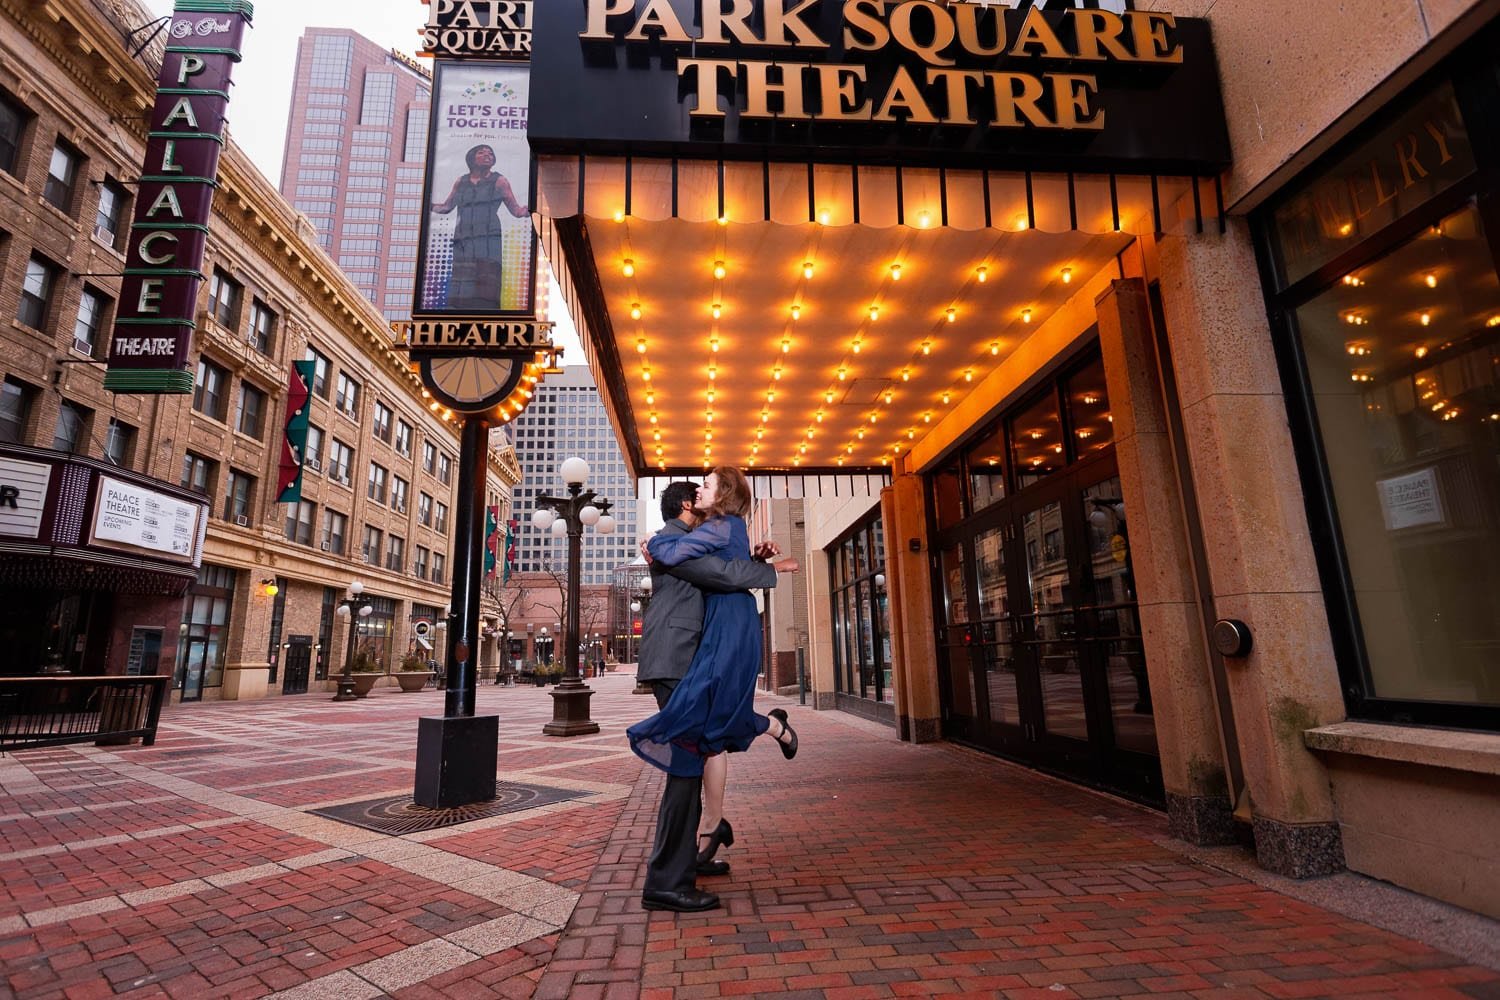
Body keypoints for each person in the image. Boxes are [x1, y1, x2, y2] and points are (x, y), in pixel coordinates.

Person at [630, 468, 800, 911]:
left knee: (698, 753)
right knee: (686, 767)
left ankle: (688, 858)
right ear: (690, 508)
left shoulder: (692, 536)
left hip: (686, 653)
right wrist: (770, 568)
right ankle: (666, 882)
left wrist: (758, 558)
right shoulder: (669, 543)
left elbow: (725, 560)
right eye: (698, 492)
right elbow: (721, 573)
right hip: (675, 656)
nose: (704, 498)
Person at [429, 143, 528, 311]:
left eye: (490, 153)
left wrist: (531, 208)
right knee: (462, 276)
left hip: (489, 237)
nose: (487, 155)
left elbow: (516, 210)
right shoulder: (461, 181)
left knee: (487, 277)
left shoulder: (500, 180)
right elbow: (446, 207)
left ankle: (487, 313)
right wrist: (427, 204)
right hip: (463, 237)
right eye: (482, 152)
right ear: (472, 158)